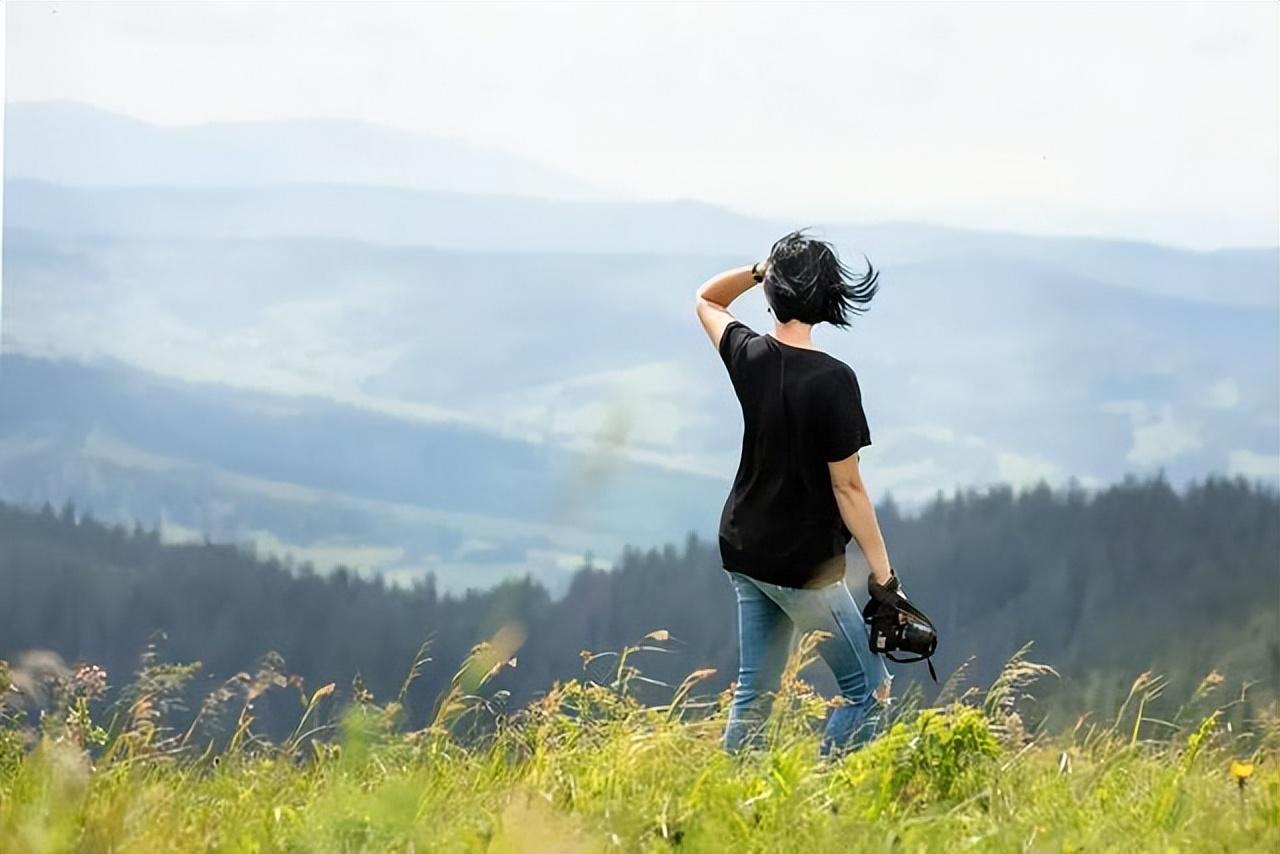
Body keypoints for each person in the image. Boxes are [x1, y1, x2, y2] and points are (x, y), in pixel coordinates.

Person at [693, 228, 898, 758]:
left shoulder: (749, 355)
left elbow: (708, 298)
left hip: (744, 547)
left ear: (773, 292)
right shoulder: (833, 380)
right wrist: (883, 574)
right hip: (804, 568)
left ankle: (737, 807)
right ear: (829, 298)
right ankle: (826, 806)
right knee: (869, 693)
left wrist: (761, 270)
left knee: (753, 695)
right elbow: (848, 487)